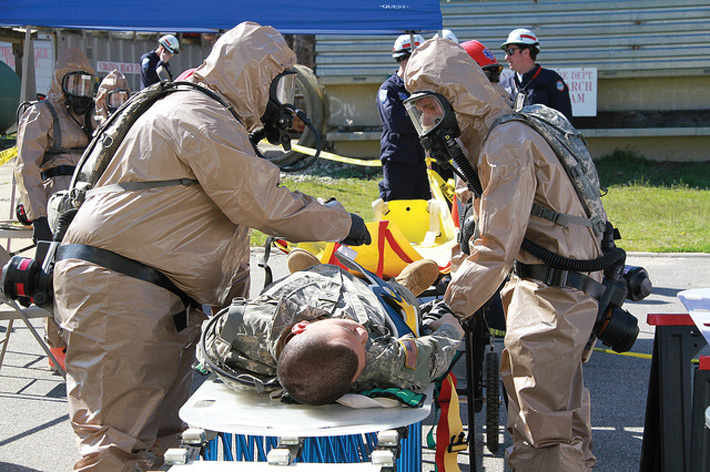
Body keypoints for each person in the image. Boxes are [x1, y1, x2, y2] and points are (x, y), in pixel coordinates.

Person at [53, 22, 371, 472]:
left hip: (153, 294)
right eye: (279, 85)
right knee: (115, 447)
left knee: (168, 439)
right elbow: (258, 203)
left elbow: (222, 215)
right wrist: (340, 221)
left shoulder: (211, 117)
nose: (285, 102)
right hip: (121, 294)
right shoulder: (197, 115)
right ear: (255, 77)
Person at [404, 38, 603, 471]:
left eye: (430, 107)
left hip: (554, 294)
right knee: (561, 416)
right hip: (546, 289)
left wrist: (453, 309)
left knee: (543, 430)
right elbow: (480, 232)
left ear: (456, 98)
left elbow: (496, 243)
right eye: (419, 109)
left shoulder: (505, 143)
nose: (425, 119)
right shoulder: (491, 137)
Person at [200, 262, 463, 406]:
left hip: (305, 282)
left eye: (348, 329)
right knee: (398, 303)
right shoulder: (364, 361)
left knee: (311, 274)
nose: (361, 333)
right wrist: (450, 327)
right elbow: (429, 360)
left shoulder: (240, 330)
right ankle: (405, 286)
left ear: (300, 327)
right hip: (368, 297)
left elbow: (210, 337)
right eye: (360, 340)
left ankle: (312, 266)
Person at [14, 47, 98, 370]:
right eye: (74, 84)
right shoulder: (43, 114)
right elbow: (26, 168)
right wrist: (38, 218)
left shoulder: (89, 119)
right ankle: (58, 346)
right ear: (60, 83)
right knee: (56, 277)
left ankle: (86, 339)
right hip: (53, 202)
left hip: (85, 199)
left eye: (86, 86)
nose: (81, 93)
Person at [375, 33, 431, 201]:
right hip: (399, 160)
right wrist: (426, 114)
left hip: (424, 160)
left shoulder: (424, 88)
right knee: (398, 208)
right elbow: (397, 122)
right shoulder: (389, 89)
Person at [499, 28, 574, 123]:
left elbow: (564, 121)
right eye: (506, 52)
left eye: (511, 51)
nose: (506, 57)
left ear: (526, 52)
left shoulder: (551, 80)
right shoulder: (504, 86)